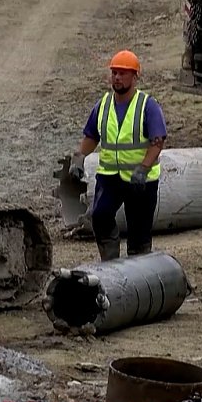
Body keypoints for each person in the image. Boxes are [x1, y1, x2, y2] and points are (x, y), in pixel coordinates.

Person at [69, 50, 167, 261]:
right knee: (100, 216)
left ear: (135, 77)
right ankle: (110, 262)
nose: (117, 78)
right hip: (110, 177)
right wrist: (79, 157)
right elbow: (91, 136)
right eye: (114, 73)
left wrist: (144, 168)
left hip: (140, 180)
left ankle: (139, 267)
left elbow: (157, 141)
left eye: (123, 73)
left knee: (139, 231)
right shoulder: (103, 105)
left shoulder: (147, 106)